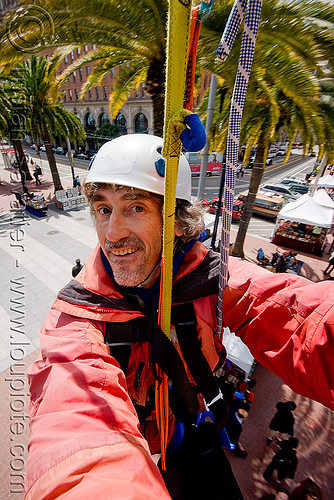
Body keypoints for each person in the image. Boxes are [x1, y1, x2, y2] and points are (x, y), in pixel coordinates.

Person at [25, 134, 334, 500]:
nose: (112, 233)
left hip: (182, 425)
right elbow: (75, 415)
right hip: (145, 438)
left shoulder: (213, 282)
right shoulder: (75, 318)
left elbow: (300, 318)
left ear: (177, 221)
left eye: (135, 207)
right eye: (104, 209)